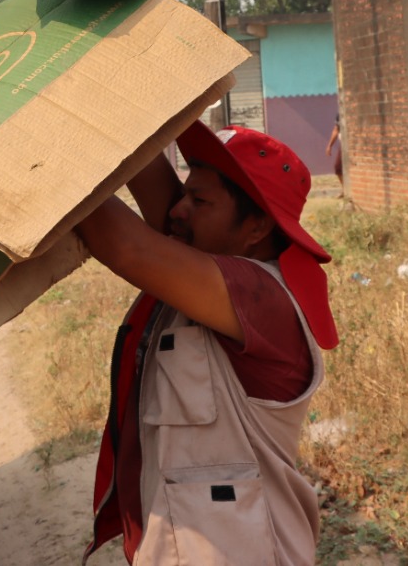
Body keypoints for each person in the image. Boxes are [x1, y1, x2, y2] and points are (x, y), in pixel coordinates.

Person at [73, 122, 339, 566]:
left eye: (199, 201)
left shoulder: (260, 297)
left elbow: (125, 247)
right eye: (183, 193)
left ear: (256, 228)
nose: (178, 210)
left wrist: (43, 146)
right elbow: (135, 155)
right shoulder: (202, 258)